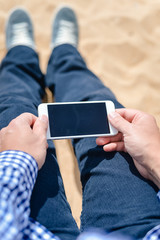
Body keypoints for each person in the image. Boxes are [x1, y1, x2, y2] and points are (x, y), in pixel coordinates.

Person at [0, 5, 160, 240]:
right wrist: (155, 159)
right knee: (99, 106)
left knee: (13, 109)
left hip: (25, 230)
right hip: (144, 231)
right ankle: (64, 54)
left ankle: (21, 55)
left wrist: (15, 161)